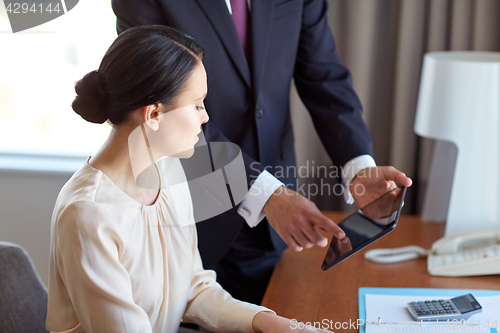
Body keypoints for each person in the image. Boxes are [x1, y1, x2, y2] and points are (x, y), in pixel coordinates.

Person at [111, 0, 413, 304]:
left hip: (275, 217)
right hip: (190, 210)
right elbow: (156, 101)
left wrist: (359, 167)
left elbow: (323, 77)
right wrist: (265, 192)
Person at [46, 25, 331, 333]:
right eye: (197, 104)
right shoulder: (88, 213)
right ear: (154, 115)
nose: (205, 117)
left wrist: (268, 321)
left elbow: (193, 288)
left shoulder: (167, 170)